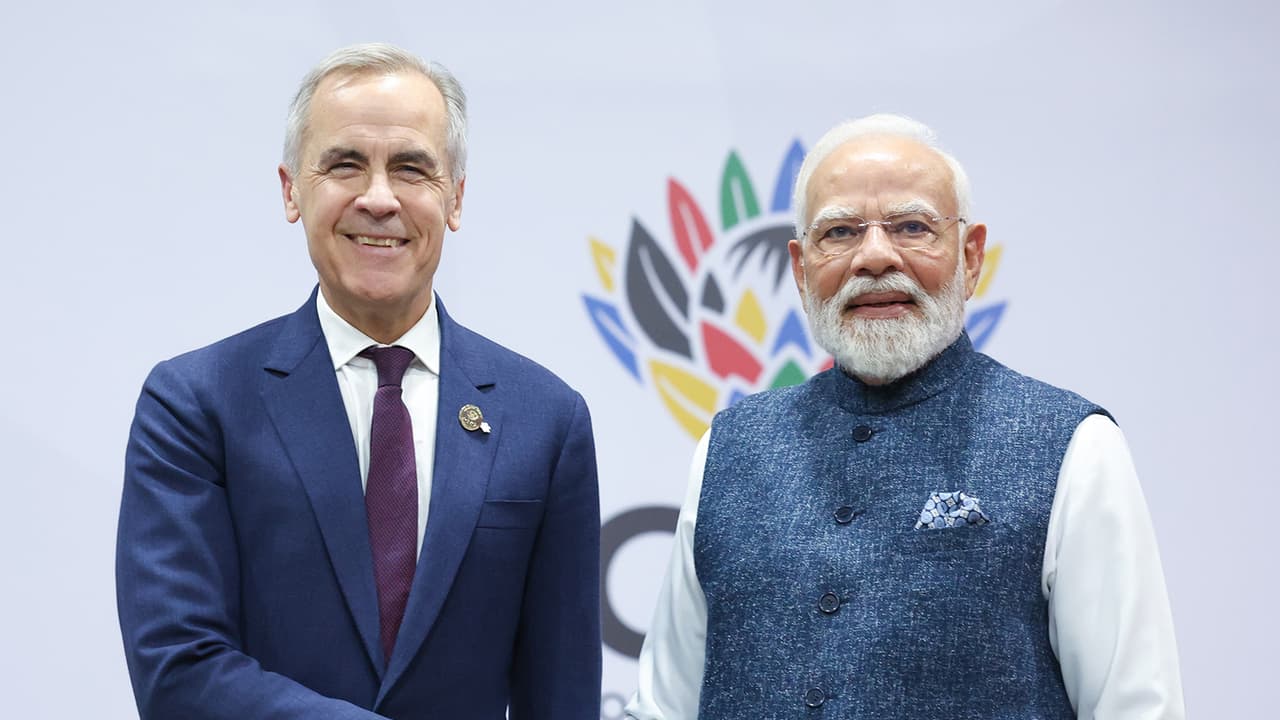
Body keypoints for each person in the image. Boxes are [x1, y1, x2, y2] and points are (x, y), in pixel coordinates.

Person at [626, 114, 1184, 719]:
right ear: (801, 270)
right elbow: (662, 707)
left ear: (971, 257)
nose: (873, 257)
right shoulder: (729, 448)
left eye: (912, 227)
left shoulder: (1074, 446)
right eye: (839, 232)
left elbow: (1136, 708)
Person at [116, 43, 601, 720]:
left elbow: (562, 694)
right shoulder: (196, 404)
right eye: (345, 165)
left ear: (456, 198)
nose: (378, 198)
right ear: (292, 189)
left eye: (411, 169)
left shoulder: (546, 420)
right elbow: (178, 668)